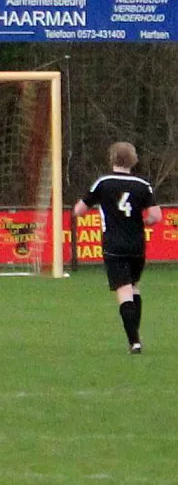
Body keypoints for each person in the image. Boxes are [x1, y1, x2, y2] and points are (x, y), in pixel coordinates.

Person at [73, 142, 161, 354]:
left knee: (124, 291)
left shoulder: (103, 183)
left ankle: (134, 341)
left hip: (113, 244)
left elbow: (79, 210)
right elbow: (156, 216)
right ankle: (136, 335)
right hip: (137, 244)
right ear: (134, 160)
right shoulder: (142, 185)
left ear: (111, 158)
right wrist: (143, 221)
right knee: (134, 287)